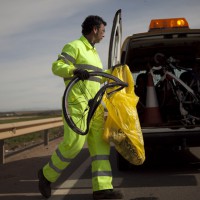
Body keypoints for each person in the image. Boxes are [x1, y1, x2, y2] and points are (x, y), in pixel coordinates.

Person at [37, 15, 123, 200]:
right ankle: (46, 175)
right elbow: (57, 66)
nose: (103, 35)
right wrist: (73, 70)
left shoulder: (94, 53)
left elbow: (98, 77)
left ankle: (102, 189)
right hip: (76, 104)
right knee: (74, 144)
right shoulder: (74, 46)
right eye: (103, 30)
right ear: (94, 29)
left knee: (100, 146)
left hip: (95, 104)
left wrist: (116, 74)